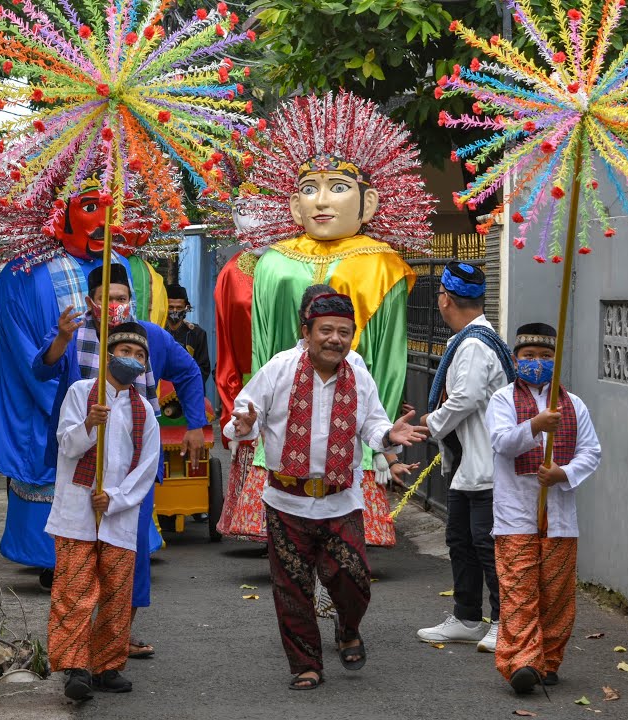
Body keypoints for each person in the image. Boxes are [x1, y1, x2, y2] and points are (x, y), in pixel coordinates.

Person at [218, 92, 435, 549]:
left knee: (343, 555)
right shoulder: (272, 262)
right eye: (308, 188)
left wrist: (381, 440)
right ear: (293, 206)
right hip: (285, 408)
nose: (321, 200)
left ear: (368, 203)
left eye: (338, 187)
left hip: (348, 405)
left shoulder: (381, 263)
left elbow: (388, 357)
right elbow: (262, 345)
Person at [224, 292, 429, 690]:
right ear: (307, 332)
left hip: (340, 499)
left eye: (344, 332)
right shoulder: (281, 368)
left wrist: (388, 435)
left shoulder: (357, 370)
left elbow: (372, 425)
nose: (335, 339)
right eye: (327, 331)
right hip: (286, 501)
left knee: (354, 579)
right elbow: (243, 414)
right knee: (292, 588)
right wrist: (244, 426)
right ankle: (305, 664)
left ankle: (348, 628)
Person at [35, 263, 208, 661]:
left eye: (121, 298)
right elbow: (41, 369)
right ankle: (75, 652)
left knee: (129, 555)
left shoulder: (153, 338)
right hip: (79, 466)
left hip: (130, 467)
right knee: (76, 561)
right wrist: (60, 338)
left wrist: (196, 424)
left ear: (130, 301)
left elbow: (188, 373)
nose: (113, 305)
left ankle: (116, 637)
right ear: (90, 302)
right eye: (105, 299)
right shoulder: (73, 335)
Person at [0, 180, 133, 589]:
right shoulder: (23, 275)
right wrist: (65, 405)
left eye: (111, 204)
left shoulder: (118, 264)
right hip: (52, 402)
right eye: (90, 205)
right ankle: (51, 557)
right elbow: (24, 351)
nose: (103, 219)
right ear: (58, 209)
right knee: (56, 465)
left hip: (110, 399)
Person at [486, 323, 602, 694]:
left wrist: (562, 473)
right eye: (529, 356)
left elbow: (591, 452)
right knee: (519, 590)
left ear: (557, 360)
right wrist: (535, 425)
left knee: (555, 593)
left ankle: (548, 661)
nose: (537, 363)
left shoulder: (574, 404)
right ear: (516, 359)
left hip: (560, 516)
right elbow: (502, 443)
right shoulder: (502, 400)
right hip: (515, 513)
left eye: (546, 356)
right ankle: (522, 662)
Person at [47, 322, 160, 701]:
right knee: (75, 591)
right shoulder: (82, 394)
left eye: (140, 355)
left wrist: (114, 498)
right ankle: (76, 668)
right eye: (125, 352)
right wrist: (89, 425)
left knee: (116, 593)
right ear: (109, 354)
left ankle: (106, 665)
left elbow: (147, 466)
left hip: (118, 517)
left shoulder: (144, 410)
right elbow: (66, 445)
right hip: (77, 512)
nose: (132, 359)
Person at [415, 262, 516, 651]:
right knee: (460, 539)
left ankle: (504, 622)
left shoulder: (473, 344)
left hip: (486, 465)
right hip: (469, 465)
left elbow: (466, 397)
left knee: (486, 545)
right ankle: (467, 617)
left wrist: (431, 420)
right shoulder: (477, 338)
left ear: (445, 298)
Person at [163, 284, 211, 395]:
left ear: (186, 308)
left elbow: (203, 369)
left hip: (190, 391)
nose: (175, 311)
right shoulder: (158, 331)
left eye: (179, 307)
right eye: (170, 307)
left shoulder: (198, 334)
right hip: (162, 393)